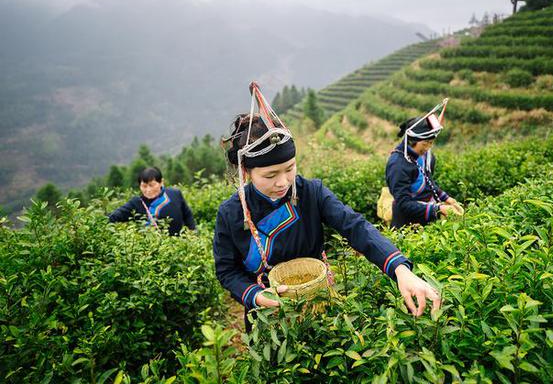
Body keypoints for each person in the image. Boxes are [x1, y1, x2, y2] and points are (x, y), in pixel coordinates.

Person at [213, 82, 440, 330]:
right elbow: (227, 270)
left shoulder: (311, 192)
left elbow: (356, 227)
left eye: (290, 168)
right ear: (247, 172)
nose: (283, 182)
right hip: (265, 316)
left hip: (318, 303)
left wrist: (400, 270)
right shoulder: (231, 213)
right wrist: (255, 295)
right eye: (270, 175)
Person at [385, 100, 460, 228]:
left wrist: (448, 199)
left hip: (426, 216)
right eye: (425, 143)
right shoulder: (397, 165)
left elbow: (428, 183)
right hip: (405, 224)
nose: (428, 147)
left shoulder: (427, 157)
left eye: (431, 143)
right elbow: (404, 203)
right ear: (412, 141)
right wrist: (438, 209)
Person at [108, 167, 196, 236]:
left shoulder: (175, 194)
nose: (148, 190)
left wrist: (194, 234)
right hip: (152, 252)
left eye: (152, 185)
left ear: (161, 182)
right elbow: (114, 217)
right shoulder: (136, 203)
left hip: (180, 247)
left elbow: (188, 215)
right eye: (144, 186)